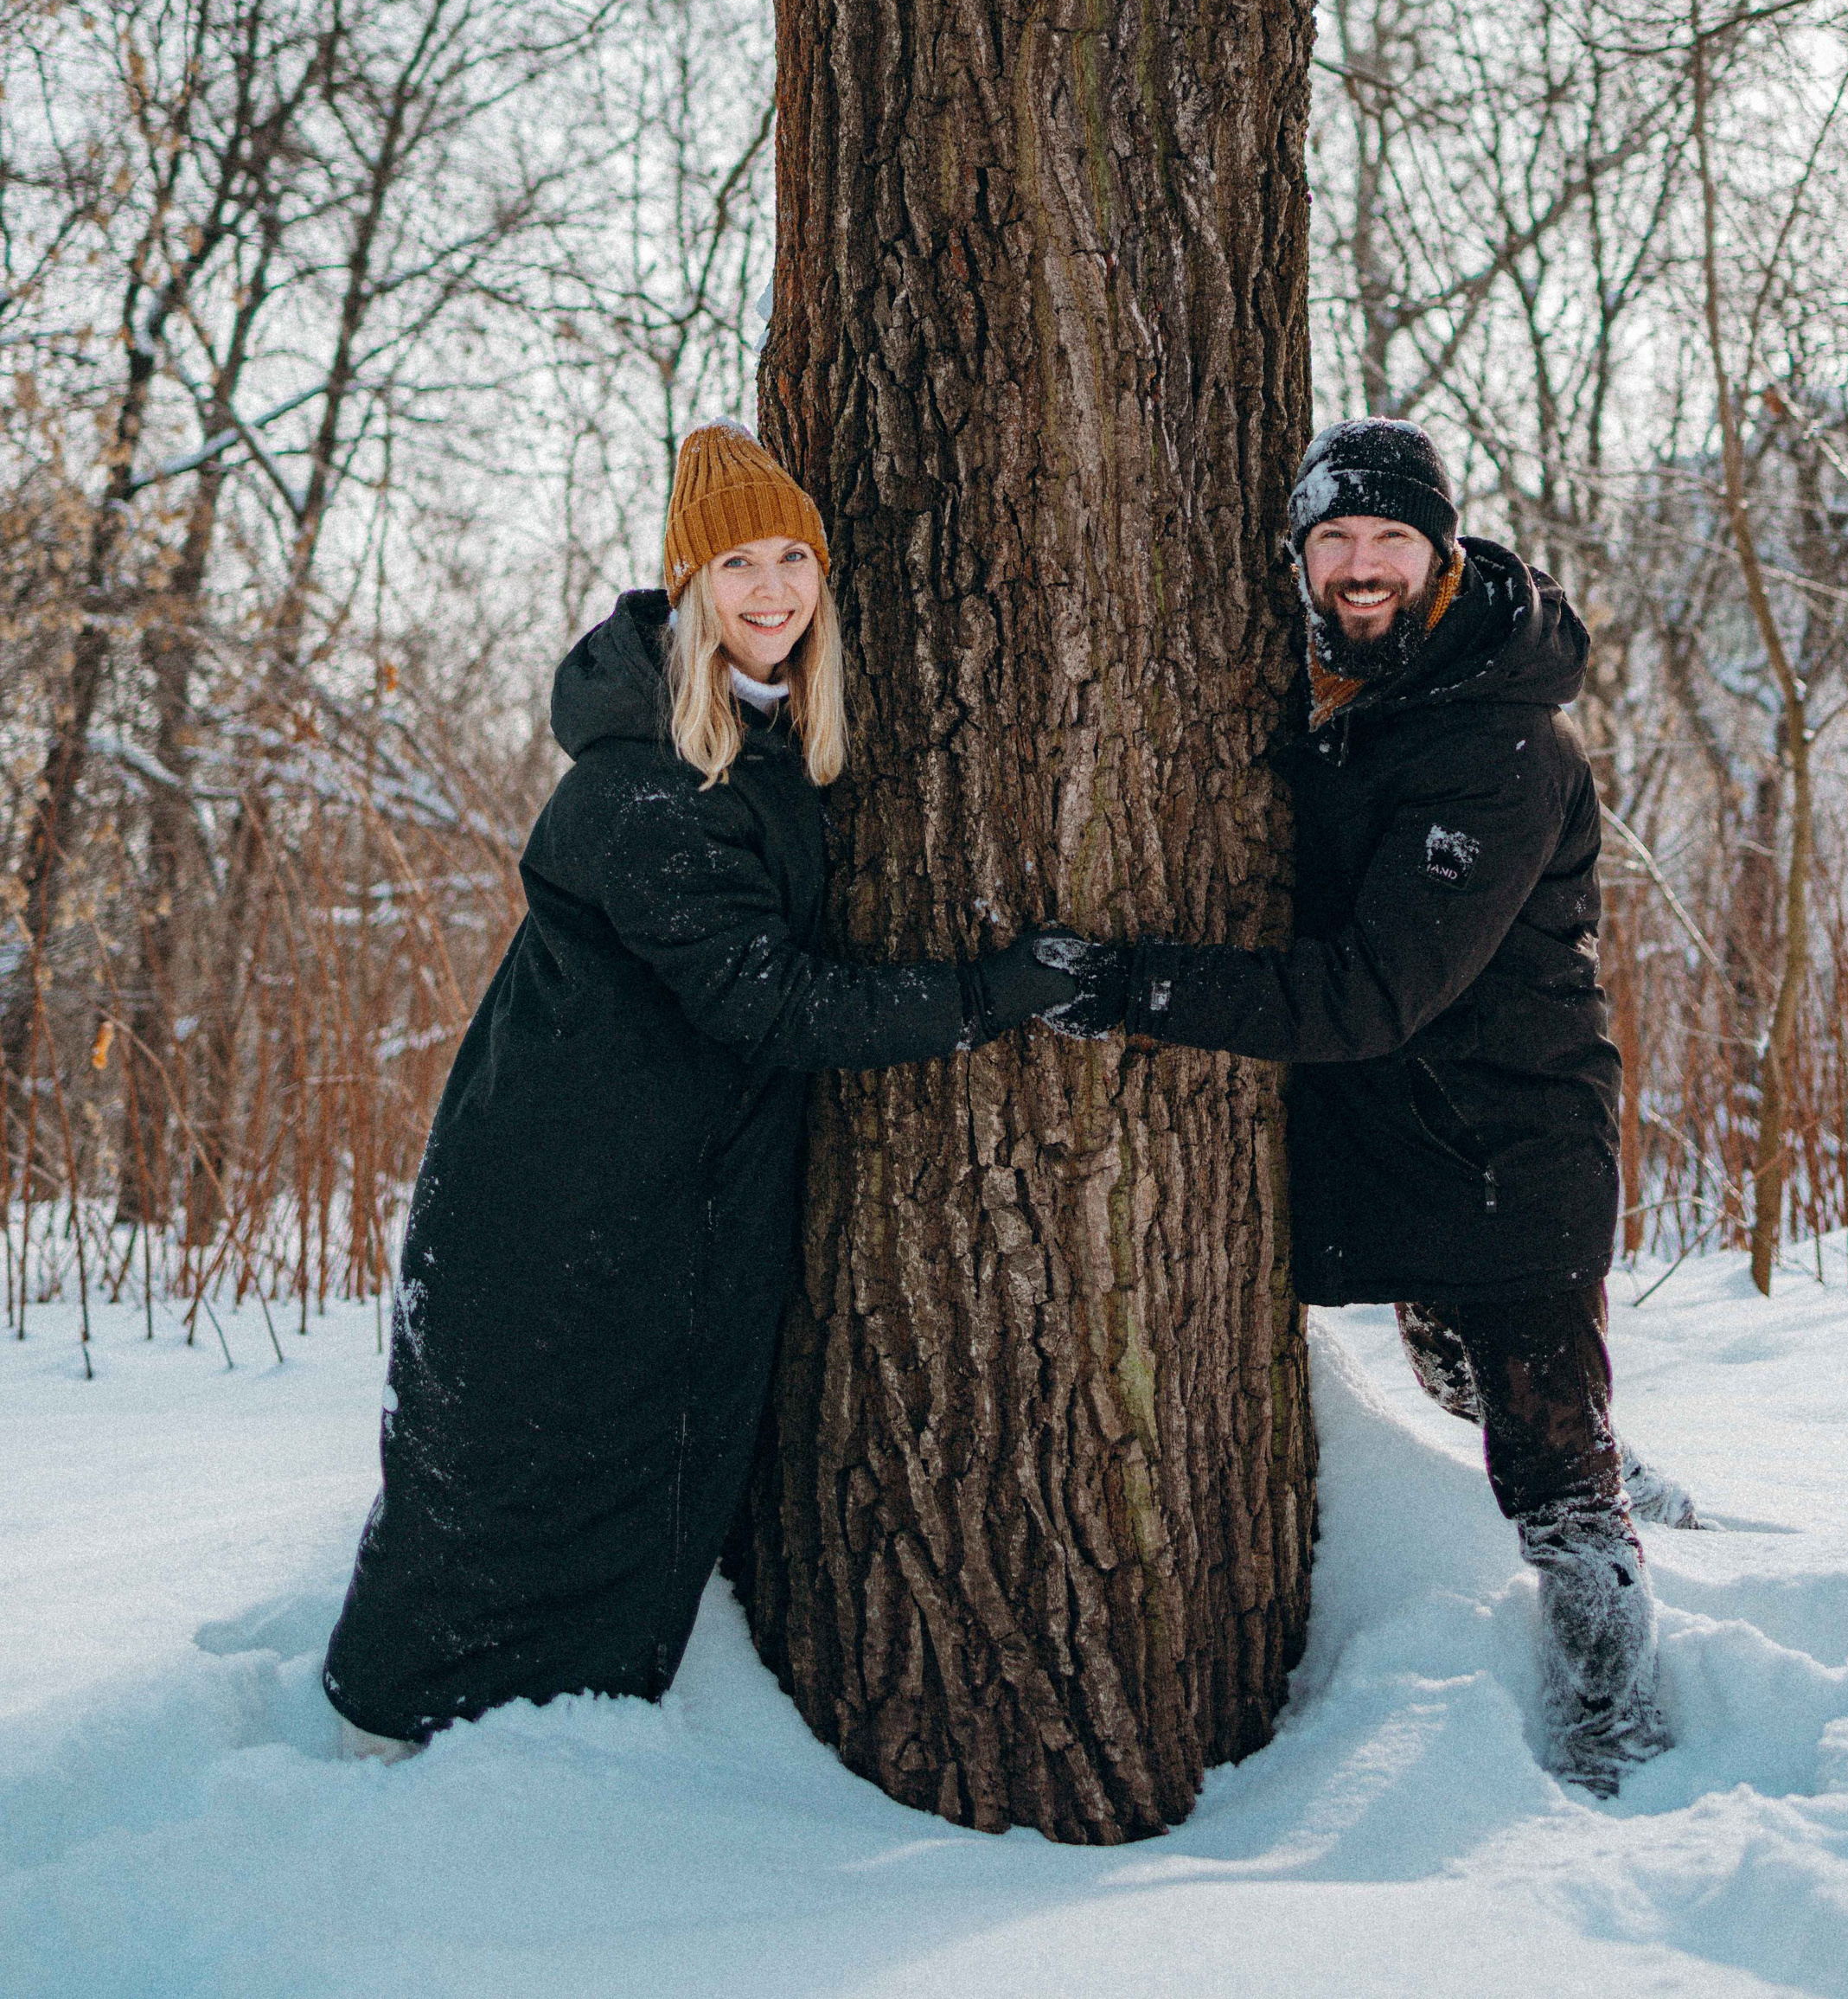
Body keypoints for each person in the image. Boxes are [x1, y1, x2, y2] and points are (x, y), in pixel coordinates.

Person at [322, 420, 1081, 1755]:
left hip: (644, 1181)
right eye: (738, 561)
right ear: (688, 585)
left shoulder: (760, 736)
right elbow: (772, 1003)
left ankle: (543, 1744)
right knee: (523, 1473)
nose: (774, 587)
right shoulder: (648, 786)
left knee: (606, 1471)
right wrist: (991, 994)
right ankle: (414, 1752)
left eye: (795, 557)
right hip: (561, 1198)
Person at [1039, 417, 1680, 1795]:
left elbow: (1365, 995)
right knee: (1454, 1379)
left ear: (1443, 554)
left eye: (1391, 537)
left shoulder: (1498, 749)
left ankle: (1621, 1739)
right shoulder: (1356, 695)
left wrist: (1131, 986)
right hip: (1411, 1140)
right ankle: (1631, 1476)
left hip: (1510, 1150)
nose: (1362, 563)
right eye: (1335, 538)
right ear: (1301, 556)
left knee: (1553, 1480)